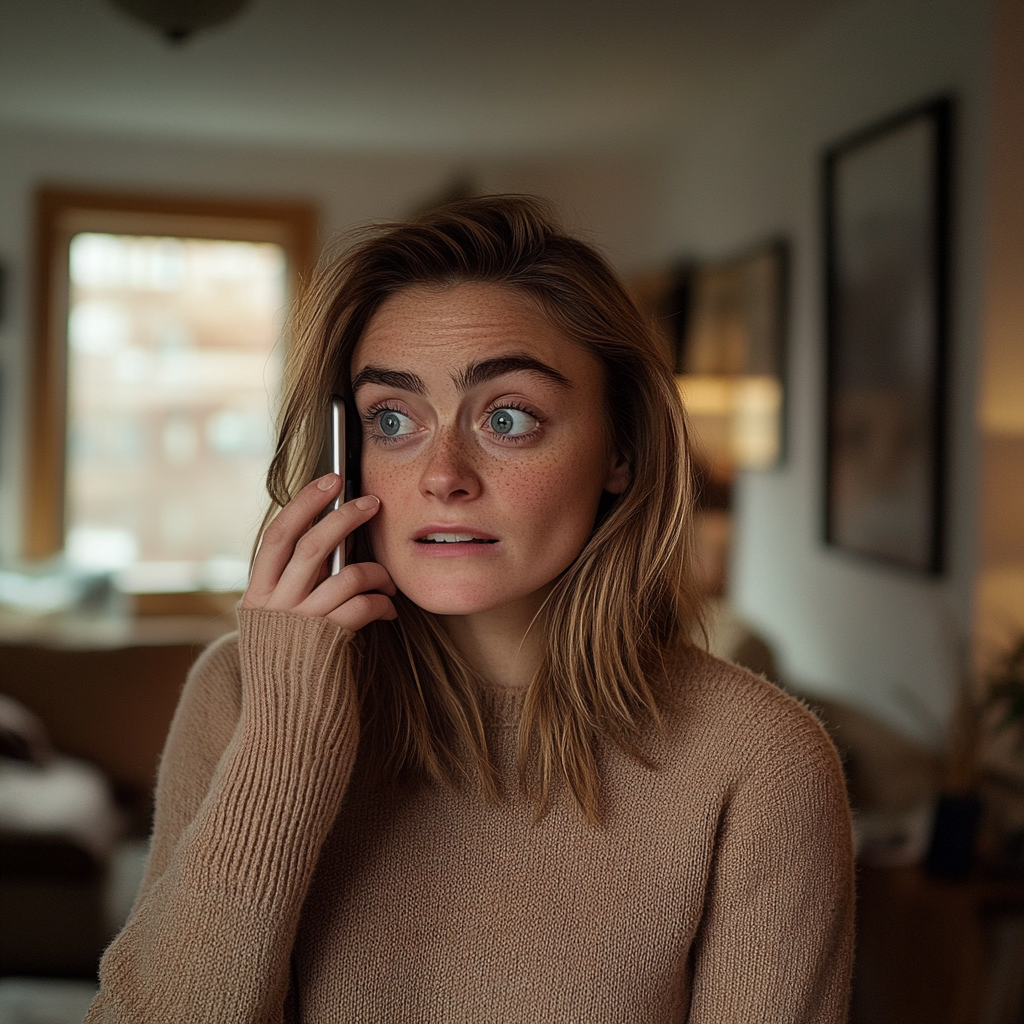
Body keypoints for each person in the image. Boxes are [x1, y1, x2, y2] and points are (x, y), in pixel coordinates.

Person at [85, 196, 855, 1023]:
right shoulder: (240, 694)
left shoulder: (760, 766)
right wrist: (284, 740)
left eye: (509, 417)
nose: (442, 475)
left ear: (620, 450)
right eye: (392, 419)